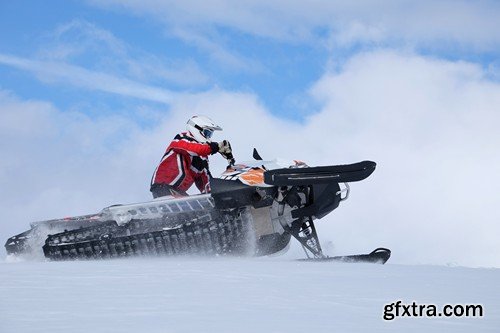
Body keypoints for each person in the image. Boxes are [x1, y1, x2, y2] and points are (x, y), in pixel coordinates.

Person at [150, 115, 234, 198]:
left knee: (201, 208)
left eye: (210, 134)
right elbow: (195, 149)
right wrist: (217, 147)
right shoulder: (181, 138)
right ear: (196, 129)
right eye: (207, 133)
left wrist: (221, 191)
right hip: (163, 185)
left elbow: (206, 182)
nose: (208, 137)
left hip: (178, 192)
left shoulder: (202, 158)